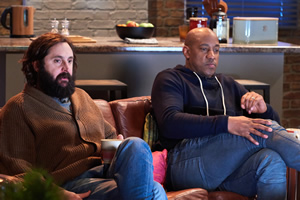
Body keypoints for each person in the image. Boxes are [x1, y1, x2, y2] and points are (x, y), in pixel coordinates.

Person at [0, 33, 167, 200]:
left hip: (106, 171)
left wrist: (117, 143)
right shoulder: (19, 107)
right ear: (37, 65)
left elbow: (109, 135)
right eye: (57, 61)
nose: (66, 68)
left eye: (70, 60)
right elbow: (19, 169)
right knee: (154, 190)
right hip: (70, 182)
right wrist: (54, 192)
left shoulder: (82, 96)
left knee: (135, 145)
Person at [151, 27, 300, 200]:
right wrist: (227, 123)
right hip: (185, 163)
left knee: (271, 160)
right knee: (262, 132)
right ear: (187, 52)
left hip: (228, 171)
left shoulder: (227, 84)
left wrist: (264, 110)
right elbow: (170, 123)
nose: (212, 55)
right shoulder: (170, 79)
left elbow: (273, 126)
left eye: (216, 50)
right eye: (204, 49)